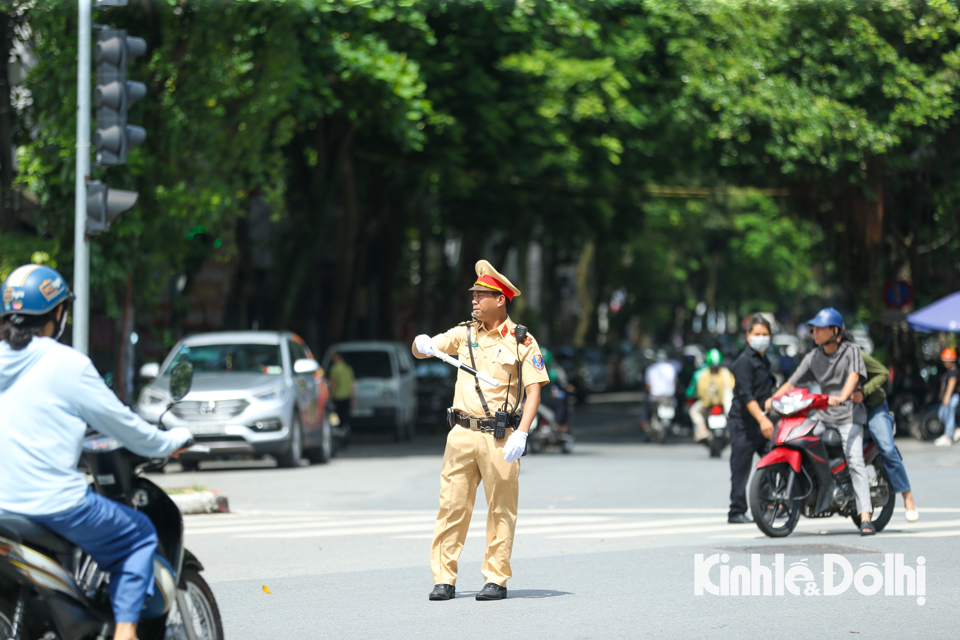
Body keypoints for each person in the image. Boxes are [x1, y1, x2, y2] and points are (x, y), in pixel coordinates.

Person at [0, 264, 193, 640]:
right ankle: (124, 632)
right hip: (52, 504)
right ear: (58, 314)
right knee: (138, 532)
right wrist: (170, 442)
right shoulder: (66, 364)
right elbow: (123, 425)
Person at [412, 260, 548, 602]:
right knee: (451, 507)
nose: (473, 300)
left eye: (481, 295)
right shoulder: (465, 333)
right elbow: (426, 349)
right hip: (461, 434)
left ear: (500, 299)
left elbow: (533, 392)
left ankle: (496, 578)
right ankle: (444, 578)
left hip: (500, 438)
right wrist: (422, 343)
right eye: (473, 294)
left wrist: (523, 433)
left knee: (501, 509)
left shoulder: (522, 342)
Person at [767, 307, 875, 535]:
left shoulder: (851, 351)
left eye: (819, 328)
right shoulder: (813, 357)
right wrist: (773, 399)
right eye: (813, 328)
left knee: (855, 460)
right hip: (824, 414)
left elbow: (854, 376)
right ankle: (818, 483)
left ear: (834, 331)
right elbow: (793, 382)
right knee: (797, 436)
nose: (814, 332)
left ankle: (865, 516)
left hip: (849, 415)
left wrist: (843, 397)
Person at [851, 348, 919, 522]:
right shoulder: (821, 356)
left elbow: (882, 372)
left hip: (873, 407)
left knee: (887, 448)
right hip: (844, 410)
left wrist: (863, 392)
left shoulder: (855, 353)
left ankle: (907, 497)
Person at [727, 315, 775, 524]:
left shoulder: (765, 361)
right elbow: (747, 396)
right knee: (741, 469)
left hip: (760, 422)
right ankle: (736, 511)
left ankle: (768, 502)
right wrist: (763, 420)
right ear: (748, 336)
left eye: (765, 335)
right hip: (743, 424)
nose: (761, 338)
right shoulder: (744, 362)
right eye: (757, 334)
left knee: (773, 461)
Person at [687, 348, 735, 443]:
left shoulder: (702, 374)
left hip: (713, 404)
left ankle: (702, 430)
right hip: (716, 404)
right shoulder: (726, 373)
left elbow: (695, 390)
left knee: (693, 411)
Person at [640, 350, 677, 434]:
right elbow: (675, 383)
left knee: (645, 404)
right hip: (669, 397)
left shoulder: (651, 368)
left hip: (655, 397)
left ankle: (644, 423)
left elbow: (648, 385)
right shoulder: (671, 367)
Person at [934, 348, 958, 447]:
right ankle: (956, 429)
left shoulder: (954, 371)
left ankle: (947, 436)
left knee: (950, 412)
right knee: (942, 415)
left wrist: (947, 396)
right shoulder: (948, 371)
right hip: (948, 396)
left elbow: (952, 384)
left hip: (953, 396)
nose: (945, 362)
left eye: (947, 360)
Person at [327, 351, 356, 432]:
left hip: (337, 397)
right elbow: (352, 384)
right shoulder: (348, 368)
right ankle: (345, 431)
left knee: (334, 415)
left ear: (337, 357)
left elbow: (333, 383)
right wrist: (353, 398)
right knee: (345, 416)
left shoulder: (334, 368)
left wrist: (329, 394)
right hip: (347, 396)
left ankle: (336, 431)